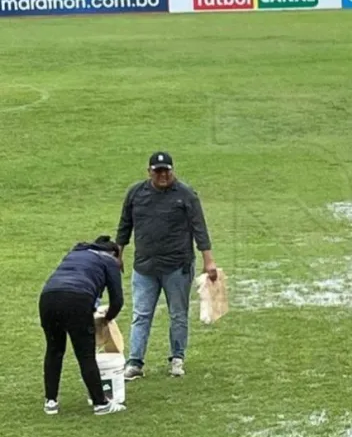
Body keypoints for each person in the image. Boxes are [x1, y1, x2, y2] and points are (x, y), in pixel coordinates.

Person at [115, 151, 218, 380]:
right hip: (144, 267)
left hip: (177, 267)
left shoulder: (186, 195)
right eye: (157, 171)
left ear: (173, 170)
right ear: (149, 171)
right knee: (141, 314)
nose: (162, 175)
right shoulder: (136, 194)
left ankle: (177, 357)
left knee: (178, 314)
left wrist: (208, 259)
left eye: (166, 171)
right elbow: (125, 226)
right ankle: (135, 362)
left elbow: (199, 227)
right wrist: (118, 254)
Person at [39, 236, 128, 415]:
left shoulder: (75, 253)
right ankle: (101, 403)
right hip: (77, 300)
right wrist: (107, 319)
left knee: (54, 349)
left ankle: (50, 402)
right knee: (86, 354)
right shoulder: (109, 260)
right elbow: (117, 300)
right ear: (113, 253)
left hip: (48, 298)